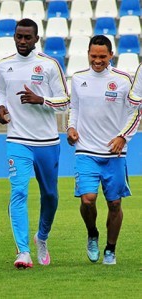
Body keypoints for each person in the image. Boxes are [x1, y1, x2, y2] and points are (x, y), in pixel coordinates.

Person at [0, 18, 69, 269]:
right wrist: (1, 108)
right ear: (14, 37)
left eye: (28, 37)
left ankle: (42, 237)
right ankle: (23, 252)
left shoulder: (49, 65)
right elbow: (1, 92)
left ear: (36, 39)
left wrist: (41, 99)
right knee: (19, 191)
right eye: (19, 36)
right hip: (17, 139)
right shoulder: (5, 65)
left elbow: (65, 101)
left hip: (47, 141)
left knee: (50, 195)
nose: (22, 41)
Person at [67, 35, 141, 265]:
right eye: (93, 56)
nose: (97, 61)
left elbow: (135, 112)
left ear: (111, 55)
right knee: (88, 200)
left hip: (114, 152)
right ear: (87, 54)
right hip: (85, 150)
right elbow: (75, 108)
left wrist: (123, 137)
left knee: (115, 204)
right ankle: (92, 234)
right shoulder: (78, 78)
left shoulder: (123, 80)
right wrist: (71, 128)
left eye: (102, 56)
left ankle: (110, 248)